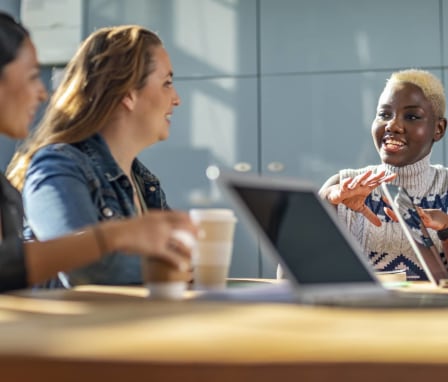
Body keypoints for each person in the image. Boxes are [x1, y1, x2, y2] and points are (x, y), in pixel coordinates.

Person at [0, 12, 195, 292]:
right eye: (166, 82)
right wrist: (164, 266)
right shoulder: (59, 165)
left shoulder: (145, 182)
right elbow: (82, 271)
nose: (176, 98)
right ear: (128, 93)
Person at [319, 68, 448, 280]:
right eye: (384, 115)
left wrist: (445, 227)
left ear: (439, 129)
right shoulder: (341, 186)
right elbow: (287, 278)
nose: (393, 125)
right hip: (362, 313)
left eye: (412, 116)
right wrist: (324, 207)